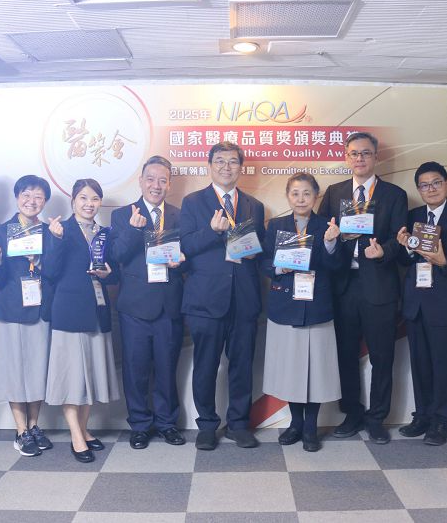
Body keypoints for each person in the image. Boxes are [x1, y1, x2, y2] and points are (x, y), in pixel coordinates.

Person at [317, 131, 408, 444]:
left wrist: (384, 251)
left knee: (382, 356)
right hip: (344, 286)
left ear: (376, 157)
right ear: (346, 157)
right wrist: (330, 240)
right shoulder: (334, 193)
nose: (360, 158)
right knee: (345, 355)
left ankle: (377, 417)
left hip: (379, 285)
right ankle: (352, 413)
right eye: (354, 153)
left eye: (366, 153)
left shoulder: (394, 195)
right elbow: (322, 233)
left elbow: (399, 237)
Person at [180, 141, 265, 450]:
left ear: (241, 167)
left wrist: (254, 251)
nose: (226, 167)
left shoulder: (254, 205)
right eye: (220, 161)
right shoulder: (193, 202)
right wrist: (212, 231)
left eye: (232, 161)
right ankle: (206, 425)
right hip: (205, 300)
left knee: (242, 366)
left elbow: (259, 247)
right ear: (209, 166)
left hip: (244, 298)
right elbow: (184, 246)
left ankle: (239, 424)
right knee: (206, 365)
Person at [396, 161, 447, 446]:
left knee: (444, 366)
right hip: (416, 303)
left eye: (435, 183)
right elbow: (403, 258)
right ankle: (422, 416)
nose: (430, 189)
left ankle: (442, 421)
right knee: (420, 365)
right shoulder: (413, 216)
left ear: (446, 184)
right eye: (424, 185)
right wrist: (406, 248)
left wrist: (445, 261)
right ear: (418, 189)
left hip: (446, 304)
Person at [262, 173, 343, 452]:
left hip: (317, 306)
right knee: (292, 368)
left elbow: (337, 267)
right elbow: (263, 262)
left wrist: (331, 244)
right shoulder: (276, 226)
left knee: (315, 369)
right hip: (285, 306)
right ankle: (295, 423)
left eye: (307, 193)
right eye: (295, 193)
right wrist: (278, 267)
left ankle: (310, 426)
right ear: (288, 196)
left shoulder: (327, 226)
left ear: (316, 196)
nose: (300, 199)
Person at [110, 156, 186, 449]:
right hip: (135, 308)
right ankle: (140, 425)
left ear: (169, 184)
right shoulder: (122, 215)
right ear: (140, 181)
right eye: (151, 179)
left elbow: (190, 253)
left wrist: (183, 259)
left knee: (167, 369)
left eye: (162, 180)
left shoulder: (179, 215)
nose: (156, 185)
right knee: (135, 369)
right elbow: (116, 255)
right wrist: (133, 229)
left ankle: (167, 423)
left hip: (169, 305)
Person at [44, 178, 120, 463]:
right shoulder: (60, 229)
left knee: (90, 374)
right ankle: (76, 434)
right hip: (70, 311)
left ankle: (84, 429)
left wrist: (108, 275)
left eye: (95, 199)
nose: (89, 204)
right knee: (72, 377)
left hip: (98, 311)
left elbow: (114, 273)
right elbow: (50, 272)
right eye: (84, 198)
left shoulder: (104, 233)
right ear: (73, 201)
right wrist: (56, 240)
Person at [0, 175, 55, 457]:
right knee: (15, 370)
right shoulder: (1, 232)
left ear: (45, 201)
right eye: (26, 195)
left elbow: (55, 272)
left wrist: (44, 259)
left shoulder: (49, 232)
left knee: (37, 369)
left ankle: (35, 425)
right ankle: (21, 430)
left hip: (40, 308)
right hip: (11, 309)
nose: (31, 201)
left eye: (38, 197)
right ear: (17, 197)